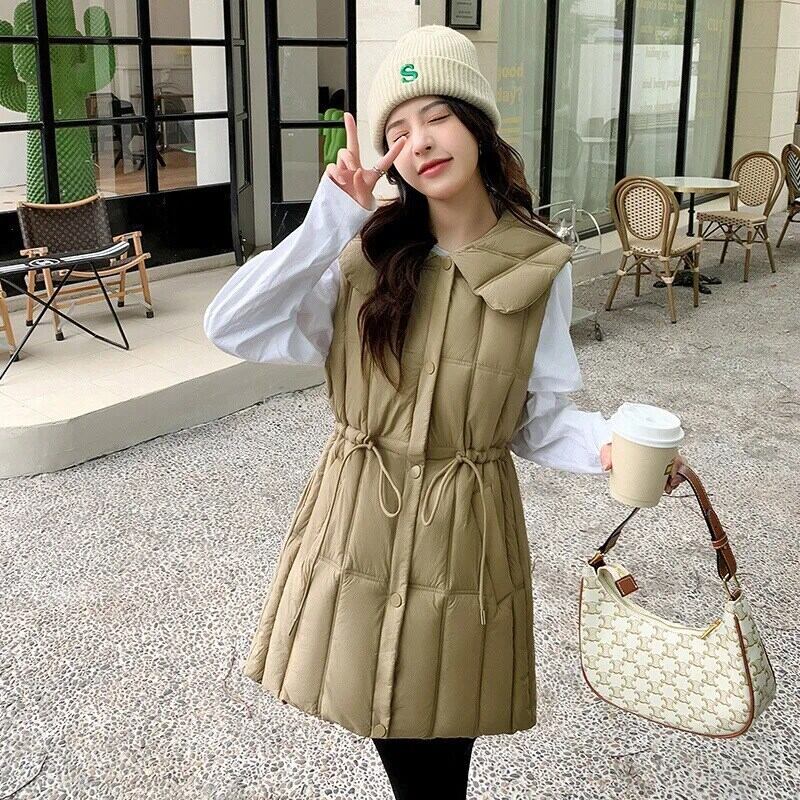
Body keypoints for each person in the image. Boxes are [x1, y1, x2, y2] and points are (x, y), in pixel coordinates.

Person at [203, 25, 684, 800]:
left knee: (442, 734)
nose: (420, 141)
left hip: (465, 536)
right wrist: (331, 219)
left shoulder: (538, 264)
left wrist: (609, 444)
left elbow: (533, 418)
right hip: (357, 522)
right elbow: (230, 324)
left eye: (437, 116)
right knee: (380, 711)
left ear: (478, 126)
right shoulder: (364, 257)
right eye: (397, 130)